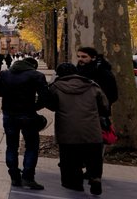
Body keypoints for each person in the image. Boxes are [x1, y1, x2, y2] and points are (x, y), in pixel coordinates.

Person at [45, 63, 109, 195]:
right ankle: (95, 177)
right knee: (94, 157)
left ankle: (74, 183)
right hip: (92, 129)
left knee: (70, 158)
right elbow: (104, 106)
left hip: (67, 130)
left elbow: (51, 105)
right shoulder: (92, 85)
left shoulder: (56, 87)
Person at [0, 55, 49, 190]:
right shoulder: (37, 75)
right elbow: (44, 97)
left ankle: (15, 177)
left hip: (9, 114)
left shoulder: (4, 74)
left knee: (11, 145)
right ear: (33, 66)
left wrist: (8, 96)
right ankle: (28, 177)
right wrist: (35, 107)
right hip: (28, 114)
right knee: (31, 146)